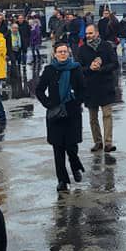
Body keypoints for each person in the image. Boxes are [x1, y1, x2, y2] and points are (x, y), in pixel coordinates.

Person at [36, 41, 86, 191]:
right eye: (60, 52)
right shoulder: (49, 70)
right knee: (58, 149)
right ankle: (62, 180)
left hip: (72, 113)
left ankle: (75, 166)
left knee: (71, 146)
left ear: (69, 53)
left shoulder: (75, 69)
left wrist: (76, 102)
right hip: (55, 114)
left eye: (65, 51)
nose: (63, 54)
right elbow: (39, 90)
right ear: (55, 54)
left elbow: (83, 89)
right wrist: (48, 104)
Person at [78, 24, 119, 153]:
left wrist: (101, 68)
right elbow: (79, 68)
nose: (88, 36)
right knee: (92, 118)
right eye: (87, 34)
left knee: (107, 114)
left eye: (90, 33)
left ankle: (108, 142)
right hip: (90, 86)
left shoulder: (106, 46)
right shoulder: (82, 49)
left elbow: (115, 63)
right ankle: (98, 142)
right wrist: (89, 68)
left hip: (105, 84)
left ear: (96, 33)